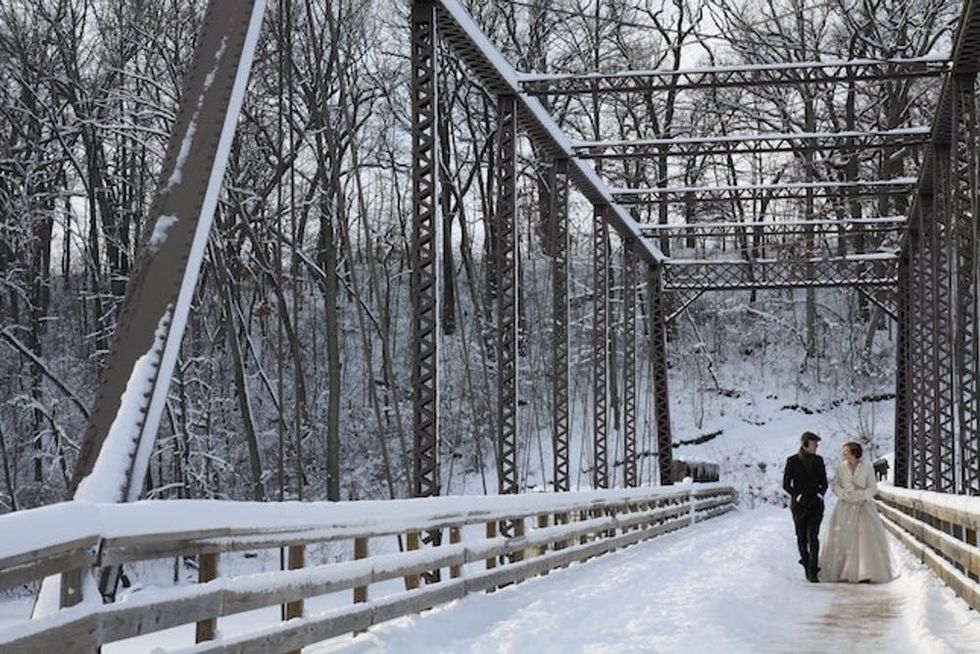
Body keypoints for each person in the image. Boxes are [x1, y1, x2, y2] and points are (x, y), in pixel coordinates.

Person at [819, 441, 895, 583]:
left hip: (863, 507)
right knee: (843, 538)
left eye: (846, 452)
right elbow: (835, 486)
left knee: (864, 538)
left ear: (854, 453)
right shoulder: (840, 469)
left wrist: (862, 496)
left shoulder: (867, 467)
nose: (843, 454)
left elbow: (873, 487)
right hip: (845, 507)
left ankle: (865, 571)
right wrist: (844, 495)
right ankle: (844, 571)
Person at [782, 432, 828, 582]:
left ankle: (813, 570)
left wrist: (820, 494)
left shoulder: (819, 460)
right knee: (801, 536)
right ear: (805, 444)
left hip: (816, 504)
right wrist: (798, 495)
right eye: (814, 443)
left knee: (813, 536)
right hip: (799, 506)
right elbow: (786, 484)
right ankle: (806, 562)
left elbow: (824, 482)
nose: (817, 446)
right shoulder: (792, 461)